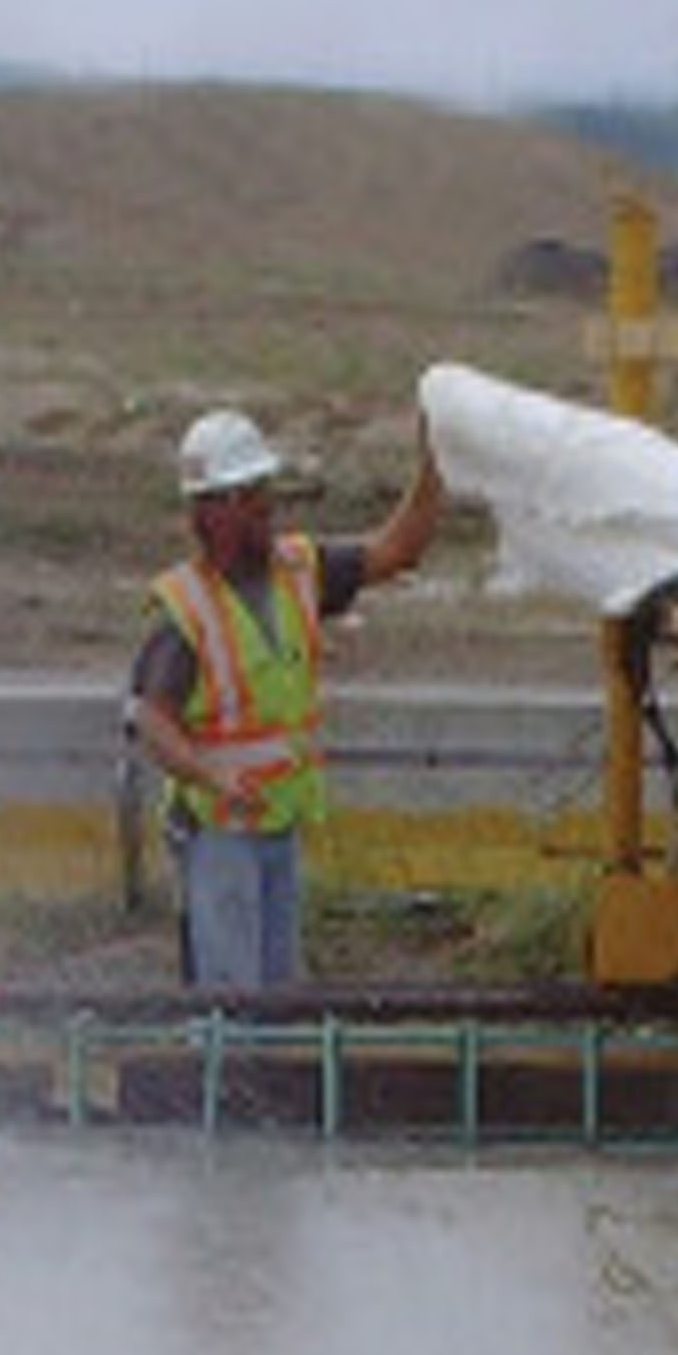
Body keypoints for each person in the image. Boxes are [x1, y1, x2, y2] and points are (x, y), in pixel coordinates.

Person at [124, 406, 444, 993]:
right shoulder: (186, 609)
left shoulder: (300, 571)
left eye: (264, 490)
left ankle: (263, 1083)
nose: (266, 505)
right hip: (219, 834)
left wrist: (434, 465)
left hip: (276, 823)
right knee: (230, 1001)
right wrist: (208, 773)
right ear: (210, 509)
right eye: (248, 495)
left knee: (275, 999)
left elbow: (398, 550)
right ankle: (221, 1087)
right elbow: (152, 718)